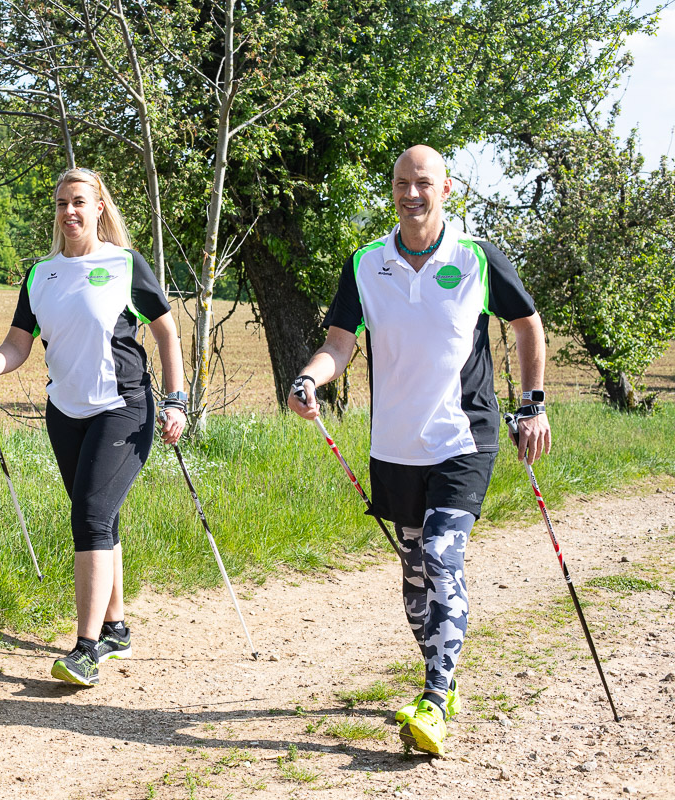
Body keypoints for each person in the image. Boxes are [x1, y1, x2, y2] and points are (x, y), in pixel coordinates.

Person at [288, 145, 552, 756]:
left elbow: (526, 324)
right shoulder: (366, 263)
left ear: (446, 189)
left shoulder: (478, 258)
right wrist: (310, 378)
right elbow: (340, 341)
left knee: (439, 553)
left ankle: (434, 698)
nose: (412, 194)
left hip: (465, 435)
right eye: (402, 183)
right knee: (412, 575)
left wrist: (533, 403)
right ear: (393, 189)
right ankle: (444, 673)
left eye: (424, 183)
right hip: (396, 443)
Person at [0, 167, 187, 687]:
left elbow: (167, 334)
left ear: (99, 207)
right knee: (98, 519)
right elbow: (19, 342)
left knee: (89, 514)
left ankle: (85, 648)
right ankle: (116, 628)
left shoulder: (124, 263)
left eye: (79, 202)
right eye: (62, 203)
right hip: (64, 413)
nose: (70, 211)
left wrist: (175, 401)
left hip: (124, 408)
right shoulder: (41, 274)